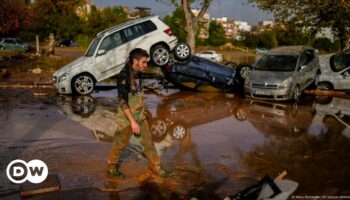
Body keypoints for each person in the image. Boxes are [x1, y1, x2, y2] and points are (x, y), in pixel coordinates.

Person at [107, 48, 171, 178]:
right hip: (126, 119)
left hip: (140, 116)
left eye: (146, 62)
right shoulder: (123, 76)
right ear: (135, 61)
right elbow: (122, 101)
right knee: (119, 145)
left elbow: (137, 95)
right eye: (143, 62)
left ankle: (157, 168)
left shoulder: (138, 74)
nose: (145, 65)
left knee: (149, 144)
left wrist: (143, 112)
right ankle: (111, 167)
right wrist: (132, 122)